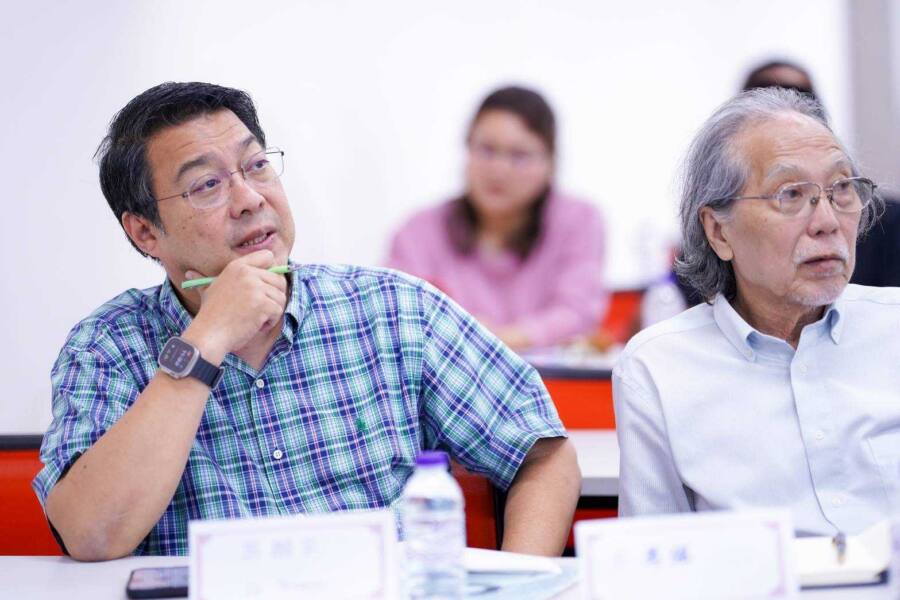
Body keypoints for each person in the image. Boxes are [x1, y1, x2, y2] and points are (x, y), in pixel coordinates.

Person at [33, 82, 581, 560]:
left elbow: (544, 454)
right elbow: (91, 534)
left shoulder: (393, 309)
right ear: (145, 232)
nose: (250, 199)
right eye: (207, 185)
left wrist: (520, 584)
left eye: (256, 165)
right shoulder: (107, 347)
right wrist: (206, 340)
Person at [613, 87, 898, 536]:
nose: (827, 222)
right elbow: (653, 555)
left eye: (841, 189)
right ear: (718, 232)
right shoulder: (658, 368)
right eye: (790, 194)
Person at [387, 86, 606, 351]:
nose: (499, 170)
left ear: (550, 164)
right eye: (487, 150)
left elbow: (577, 313)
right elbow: (397, 317)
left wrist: (497, 338)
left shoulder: (578, 221)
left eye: (519, 156)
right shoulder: (419, 232)